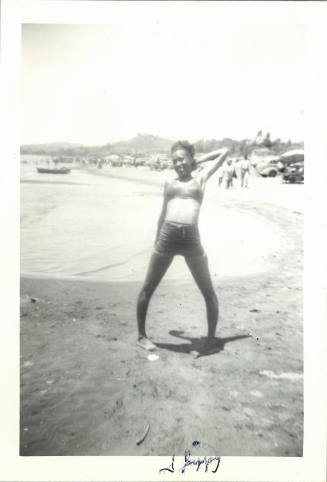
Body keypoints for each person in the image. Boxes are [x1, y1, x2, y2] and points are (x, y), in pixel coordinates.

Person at [136, 140, 229, 352]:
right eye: (175, 160)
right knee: (148, 287)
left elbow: (224, 152)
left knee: (207, 290)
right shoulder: (170, 184)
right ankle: (141, 336)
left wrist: (198, 162)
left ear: (191, 159)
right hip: (167, 236)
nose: (178, 164)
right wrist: (157, 238)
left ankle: (211, 340)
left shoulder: (201, 178)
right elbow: (162, 212)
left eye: (182, 159)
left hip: (191, 240)